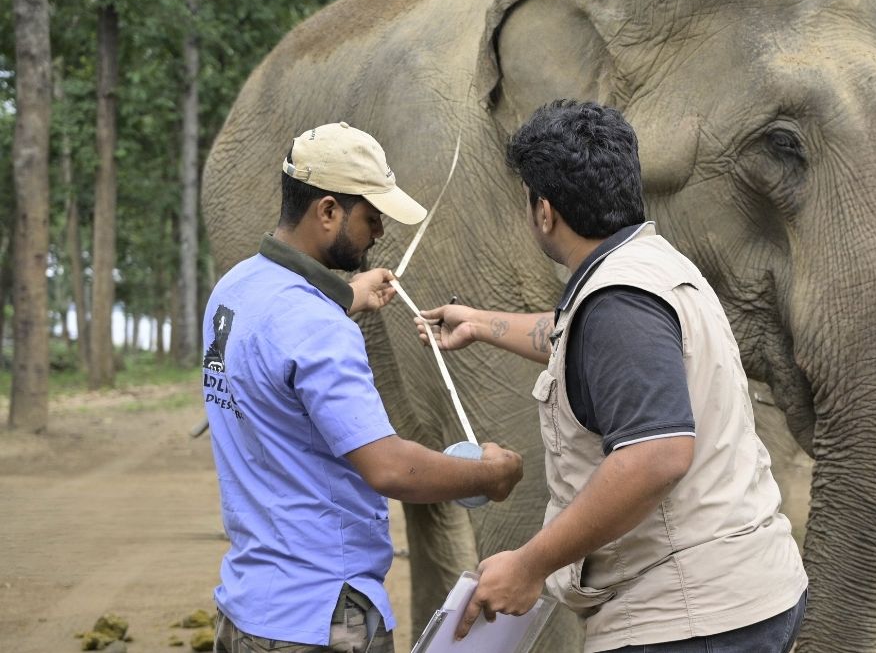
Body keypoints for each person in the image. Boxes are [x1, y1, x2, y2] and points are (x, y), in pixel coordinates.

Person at [415, 101, 808, 652]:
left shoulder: (619, 302)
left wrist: (529, 565)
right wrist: (481, 324)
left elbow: (655, 456)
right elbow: (572, 338)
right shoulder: (649, 266)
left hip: (687, 619)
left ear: (544, 211)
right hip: (741, 594)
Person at [202, 121, 524, 653]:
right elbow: (390, 468)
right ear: (328, 211)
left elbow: (283, 337)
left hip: (249, 606)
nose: (379, 233)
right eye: (371, 218)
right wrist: (488, 474)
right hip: (323, 618)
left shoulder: (235, 290)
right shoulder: (319, 327)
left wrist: (347, 295)